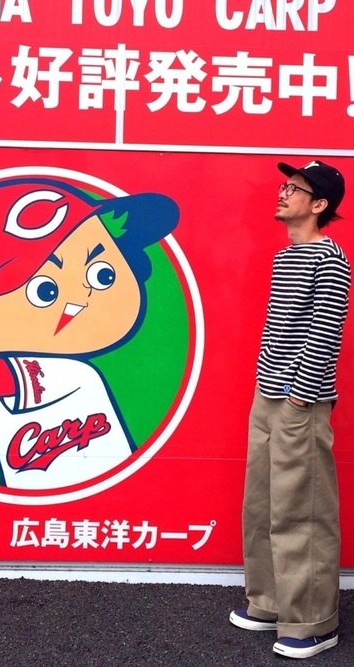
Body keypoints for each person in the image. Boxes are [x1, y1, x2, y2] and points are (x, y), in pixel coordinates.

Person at [0, 166, 179, 489]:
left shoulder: (71, 375)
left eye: (102, 274)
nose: (81, 298)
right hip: (34, 511)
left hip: (109, 504)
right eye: (46, 291)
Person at [230, 160, 351, 659]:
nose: (282, 194)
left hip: (300, 401)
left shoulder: (330, 258)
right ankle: (269, 601)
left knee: (302, 509)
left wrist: (299, 395)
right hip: (269, 396)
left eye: (294, 189)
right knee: (261, 503)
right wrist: (268, 388)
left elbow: (325, 332)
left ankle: (312, 621)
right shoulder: (288, 255)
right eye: (284, 186)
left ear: (319, 204)